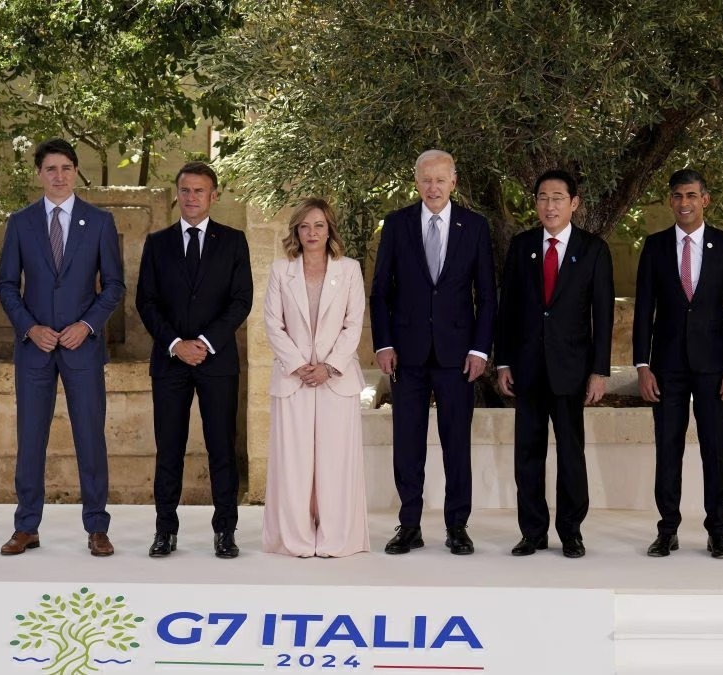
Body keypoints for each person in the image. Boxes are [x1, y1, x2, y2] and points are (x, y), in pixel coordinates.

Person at [0, 138, 125, 557]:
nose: (59, 176)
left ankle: (97, 527)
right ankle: (26, 527)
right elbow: (6, 285)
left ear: (75, 172)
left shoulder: (99, 222)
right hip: (34, 349)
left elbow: (115, 285)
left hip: (82, 348)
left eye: (66, 168)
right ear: (39, 174)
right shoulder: (20, 223)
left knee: (90, 437)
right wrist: (30, 328)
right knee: (31, 438)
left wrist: (86, 325)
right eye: (50, 168)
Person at [370, 149, 496, 555]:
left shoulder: (474, 226)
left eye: (441, 179)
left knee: (457, 444)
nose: (433, 187)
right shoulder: (397, 224)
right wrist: (384, 343)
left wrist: (479, 349)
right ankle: (409, 525)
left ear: (453, 182)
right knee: (408, 444)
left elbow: (486, 296)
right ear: (416, 181)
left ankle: (457, 527)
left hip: (457, 356)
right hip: (406, 355)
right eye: (426, 179)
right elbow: (380, 292)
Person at [135, 161, 253, 559]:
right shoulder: (157, 243)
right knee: (169, 449)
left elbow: (241, 300)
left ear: (213, 196)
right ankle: (165, 531)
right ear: (177, 194)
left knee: (222, 449)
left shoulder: (233, 241)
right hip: (170, 362)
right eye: (185, 190)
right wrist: (175, 343)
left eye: (199, 191)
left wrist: (203, 341)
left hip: (217, 362)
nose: (191, 197)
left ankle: (225, 531)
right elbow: (146, 301)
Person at [495, 170, 614, 559]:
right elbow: (508, 309)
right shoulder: (522, 246)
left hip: (572, 370)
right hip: (527, 369)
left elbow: (602, 316)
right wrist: (503, 362)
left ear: (574, 203)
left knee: (571, 454)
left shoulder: (593, 249)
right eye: (543, 198)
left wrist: (599, 371)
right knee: (527, 455)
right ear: (535, 203)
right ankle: (532, 532)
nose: (550, 205)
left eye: (558, 198)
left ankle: (571, 532)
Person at [633, 168, 723, 559]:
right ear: (671, 201)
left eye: (691, 195)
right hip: (665, 367)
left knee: (714, 449)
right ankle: (667, 530)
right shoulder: (655, 246)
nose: (684, 203)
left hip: (715, 367)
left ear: (705, 200)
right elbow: (643, 311)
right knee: (668, 448)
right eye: (678, 196)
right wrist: (642, 365)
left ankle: (717, 531)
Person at [261, 198, 370, 558]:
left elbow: (353, 324)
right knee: (293, 463)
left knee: (335, 462)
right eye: (305, 226)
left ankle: (337, 537)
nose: (312, 233)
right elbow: (273, 323)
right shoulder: (281, 270)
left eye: (319, 225)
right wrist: (298, 364)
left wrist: (328, 366)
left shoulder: (349, 270)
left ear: (329, 229)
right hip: (293, 379)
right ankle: (295, 539)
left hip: (336, 380)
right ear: (296, 230)